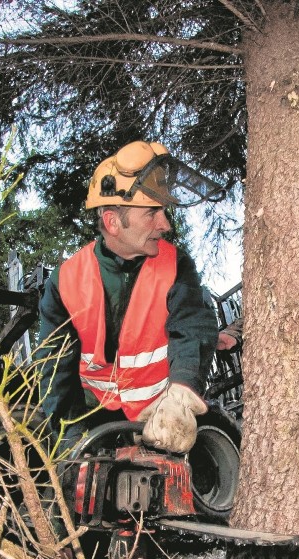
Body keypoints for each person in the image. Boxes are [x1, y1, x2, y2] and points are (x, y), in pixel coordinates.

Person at [38, 140, 220, 455]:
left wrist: (181, 394)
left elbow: (191, 329)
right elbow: (56, 374)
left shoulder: (175, 265)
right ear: (112, 222)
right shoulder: (65, 282)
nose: (164, 224)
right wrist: (72, 445)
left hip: (165, 417)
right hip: (99, 422)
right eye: (152, 214)